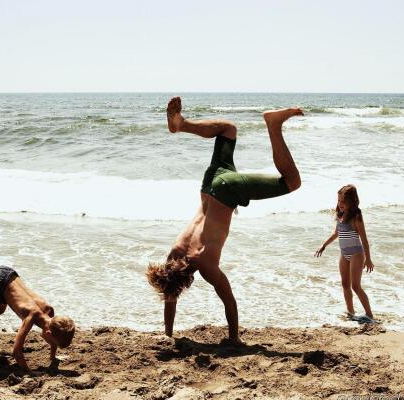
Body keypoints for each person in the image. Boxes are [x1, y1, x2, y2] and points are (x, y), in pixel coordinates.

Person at [147, 96, 304, 344]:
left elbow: (228, 299)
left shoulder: (204, 263)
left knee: (292, 182)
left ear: (184, 282)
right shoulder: (174, 253)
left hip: (227, 190)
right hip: (209, 185)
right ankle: (182, 124)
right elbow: (170, 294)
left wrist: (234, 339)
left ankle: (273, 124)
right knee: (228, 129)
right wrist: (166, 334)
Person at [0, 251, 75, 371]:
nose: (53, 345)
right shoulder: (30, 317)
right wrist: (30, 373)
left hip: (7, 272)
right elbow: (16, 352)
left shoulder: (49, 310)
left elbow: (52, 338)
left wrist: (53, 358)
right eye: (54, 343)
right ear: (48, 334)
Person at [315, 185, 375, 322]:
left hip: (356, 254)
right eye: (338, 200)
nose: (340, 204)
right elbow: (336, 233)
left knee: (355, 286)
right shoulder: (340, 215)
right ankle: (350, 313)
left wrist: (368, 259)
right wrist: (323, 245)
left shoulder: (356, 217)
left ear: (352, 201)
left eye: (343, 201)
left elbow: (364, 240)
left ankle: (369, 315)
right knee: (345, 284)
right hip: (344, 254)